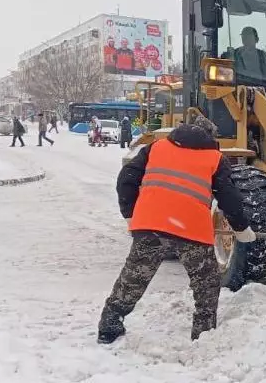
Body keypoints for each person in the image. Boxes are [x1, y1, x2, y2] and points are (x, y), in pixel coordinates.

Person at [97, 115, 255, 343]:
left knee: (134, 277)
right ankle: (203, 334)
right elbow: (229, 198)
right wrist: (241, 227)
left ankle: (109, 326)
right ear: (211, 137)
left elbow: (126, 179)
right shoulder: (215, 158)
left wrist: (130, 214)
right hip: (191, 230)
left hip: (151, 225)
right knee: (206, 283)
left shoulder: (156, 147)